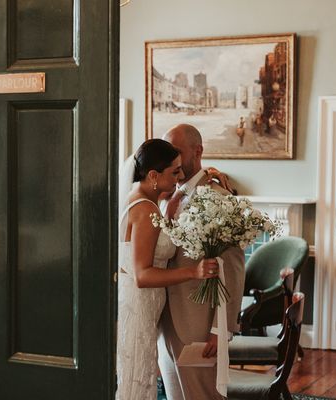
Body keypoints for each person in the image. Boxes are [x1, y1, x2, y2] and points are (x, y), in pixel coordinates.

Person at [116, 138, 219, 400]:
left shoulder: (142, 198)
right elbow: (142, 275)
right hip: (139, 306)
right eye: (174, 172)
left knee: (138, 374)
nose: (180, 177)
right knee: (136, 378)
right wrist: (194, 272)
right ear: (153, 175)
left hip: (142, 306)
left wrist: (210, 175)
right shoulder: (145, 211)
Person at [158, 124, 245, 400]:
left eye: (177, 152)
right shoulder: (164, 197)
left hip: (198, 323)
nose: (171, 160)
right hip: (164, 321)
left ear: (198, 152)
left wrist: (221, 329)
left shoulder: (219, 199)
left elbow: (233, 268)